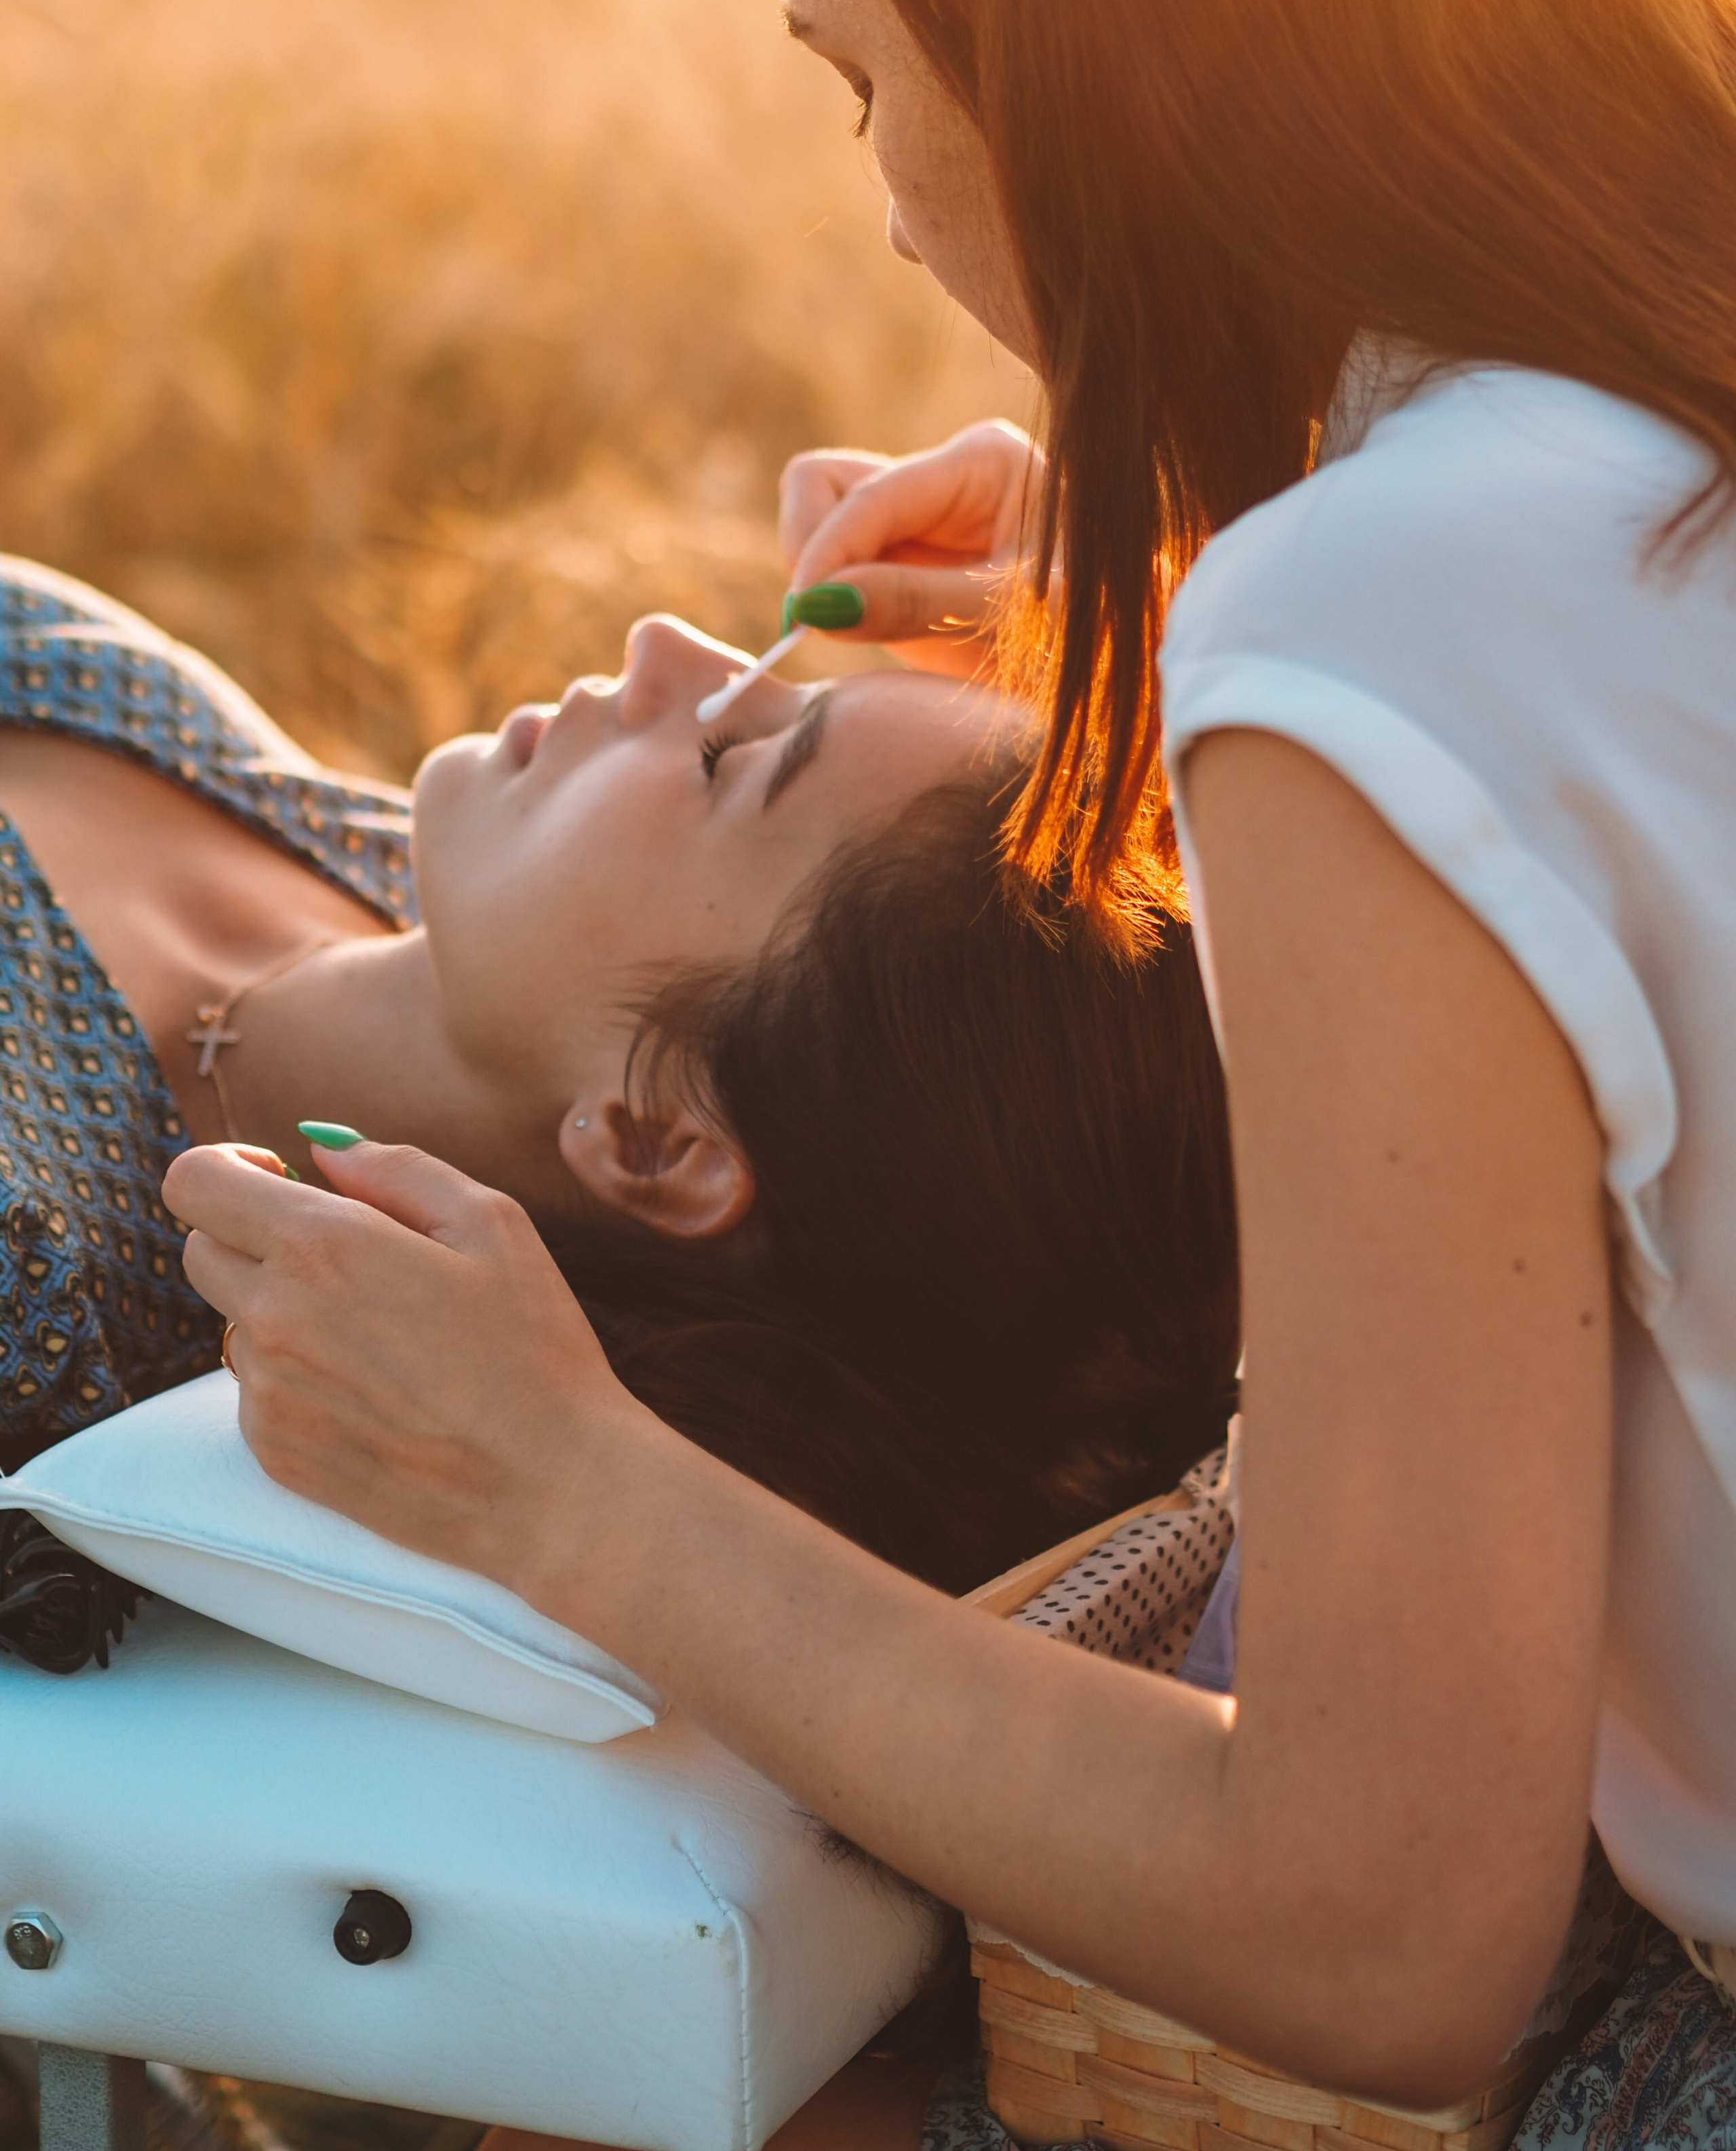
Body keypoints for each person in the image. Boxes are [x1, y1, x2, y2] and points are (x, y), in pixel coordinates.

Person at [163, 0, 1736, 2151]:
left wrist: (571, 1492)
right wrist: (1247, 538)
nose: (891, 207)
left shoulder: (1384, 638)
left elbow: (1376, 1927)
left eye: (862, 78)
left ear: (1087, 58)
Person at [0, 555, 1237, 1628]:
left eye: (726, 758)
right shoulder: (365, 853)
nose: (668, 646)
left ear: (656, 1142)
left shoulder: (34, 1261)